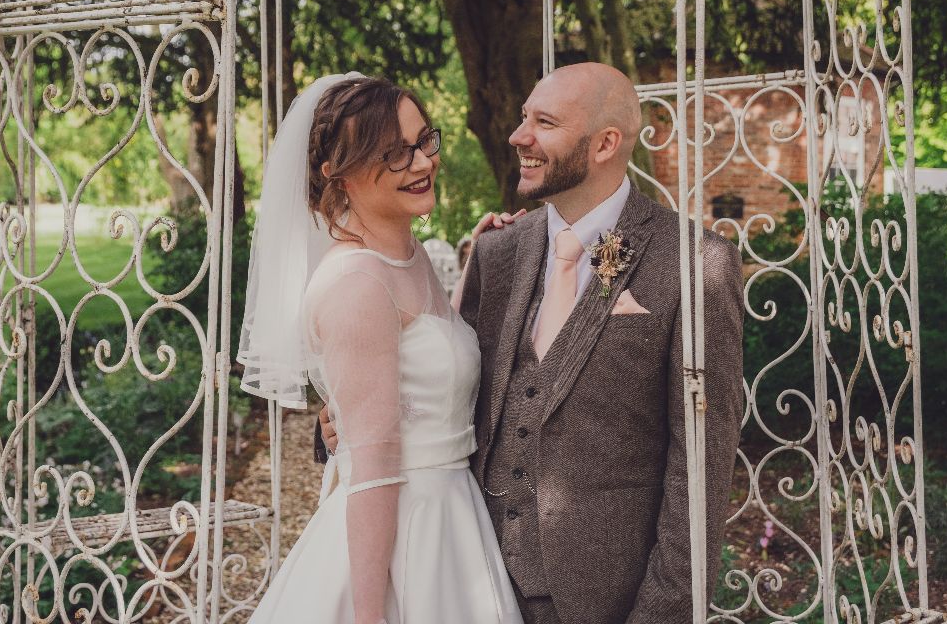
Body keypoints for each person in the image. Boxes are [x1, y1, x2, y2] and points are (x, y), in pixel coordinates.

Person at [322, 63, 745, 624]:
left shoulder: (694, 263)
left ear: (604, 144)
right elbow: (444, 386)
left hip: (606, 599)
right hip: (466, 574)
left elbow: (700, 469)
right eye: (524, 117)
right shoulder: (497, 253)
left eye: (544, 123)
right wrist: (343, 424)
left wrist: (662, 612)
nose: (518, 136)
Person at [239, 73, 523, 624]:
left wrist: (476, 269)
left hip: (452, 515)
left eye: (423, 141)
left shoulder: (405, 254)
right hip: (409, 532)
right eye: (393, 154)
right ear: (337, 175)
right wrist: (370, 614)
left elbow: (424, 351)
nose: (421, 163)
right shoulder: (357, 284)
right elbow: (372, 471)